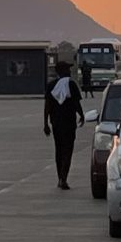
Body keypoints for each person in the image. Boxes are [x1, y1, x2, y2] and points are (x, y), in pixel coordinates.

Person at [45, 60, 84, 188]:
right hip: (68, 123)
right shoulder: (71, 85)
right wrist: (82, 115)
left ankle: (60, 178)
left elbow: (47, 106)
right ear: (62, 71)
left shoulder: (51, 86)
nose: (70, 71)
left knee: (59, 150)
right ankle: (63, 178)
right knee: (68, 150)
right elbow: (76, 103)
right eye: (68, 69)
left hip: (56, 123)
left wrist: (45, 123)